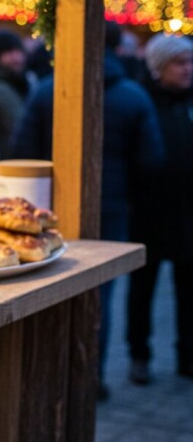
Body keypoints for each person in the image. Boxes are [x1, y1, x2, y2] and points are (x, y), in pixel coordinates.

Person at [12, 21, 165, 400]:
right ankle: (90, 376)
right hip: (110, 211)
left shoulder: (48, 92)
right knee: (100, 294)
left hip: (46, 212)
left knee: (44, 285)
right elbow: (151, 162)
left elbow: (20, 150)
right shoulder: (133, 96)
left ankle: (46, 375)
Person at [127, 34, 193, 384]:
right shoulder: (142, 102)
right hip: (149, 214)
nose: (187, 69)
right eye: (179, 63)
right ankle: (139, 354)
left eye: (190, 62)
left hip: (188, 214)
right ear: (158, 68)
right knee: (142, 290)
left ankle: (187, 354)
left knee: (188, 292)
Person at [0, 31, 30, 159]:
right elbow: (18, 127)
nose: (16, 57)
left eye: (18, 51)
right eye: (9, 52)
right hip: (7, 161)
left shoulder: (19, 81)